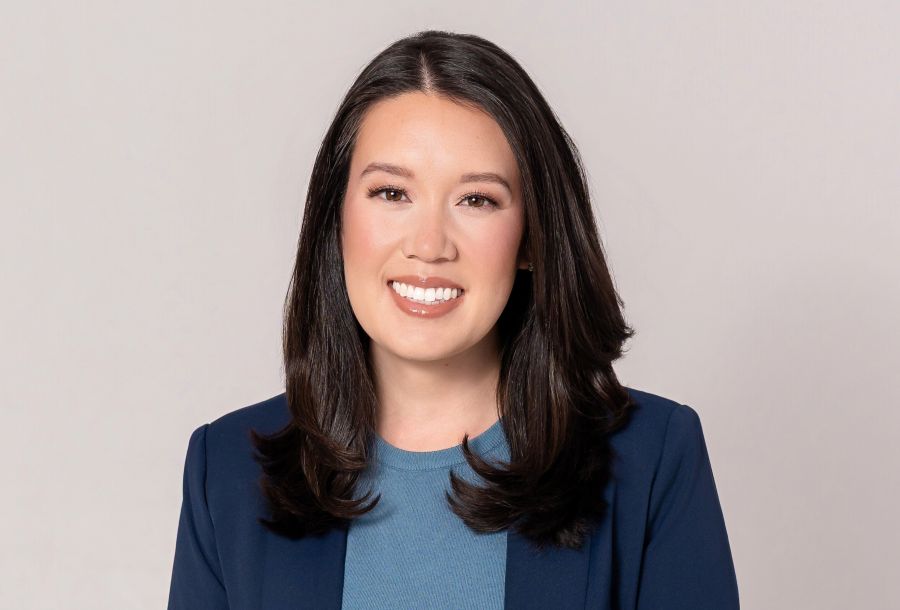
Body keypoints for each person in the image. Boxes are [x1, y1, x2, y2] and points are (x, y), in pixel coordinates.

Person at [167, 30, 739, 609]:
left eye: (477, 200)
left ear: (533, 239)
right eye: (391, 193)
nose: (429, 244)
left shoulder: (652, 459)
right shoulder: (227, 472)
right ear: (335, 220)